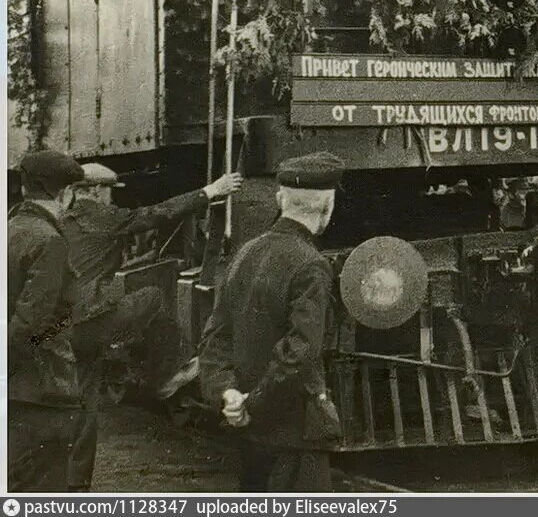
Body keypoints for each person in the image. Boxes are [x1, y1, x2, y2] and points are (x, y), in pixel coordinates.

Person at [62, 164, 245, 492]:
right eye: (108, 192)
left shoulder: (63, 222)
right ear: (92, 191)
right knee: (153, 297)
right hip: (93, 321)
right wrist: (211, 190)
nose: (111, 198)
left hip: (62, 328)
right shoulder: (105, 217)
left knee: (80, 401)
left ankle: (67, 486)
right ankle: (167, 373)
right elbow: (159, 213)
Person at [199, 152, 345, 492]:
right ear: (328, 206)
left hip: (248, 433)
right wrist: (254, 403)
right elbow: (300, 351)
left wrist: (228, 394)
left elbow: (215, 337)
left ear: (280, 200)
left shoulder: (246, 253)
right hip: (294, 434)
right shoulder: (311, 265)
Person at [8, 150, 87, 492]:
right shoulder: (50, 241)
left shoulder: (10, 229)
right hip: (41, 391)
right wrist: (55, 334)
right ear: (64, 194)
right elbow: (31, 326)